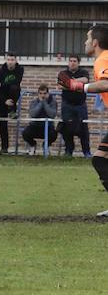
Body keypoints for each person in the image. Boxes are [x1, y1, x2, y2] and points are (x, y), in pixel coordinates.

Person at [58, 24, 108, 216]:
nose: (85, 42)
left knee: (99, 159)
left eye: (87, 39)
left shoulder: (103, 59)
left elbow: (105, 83)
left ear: (95, 43)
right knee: (100, 159)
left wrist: (77, 86)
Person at [58, 56, 90, 157]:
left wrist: (71, 82)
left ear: (78, 63)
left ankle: (86, 152)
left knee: (84, 128)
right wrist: (77, 84)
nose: (72, 63)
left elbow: (85, 80)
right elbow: (60, 85)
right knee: (67, 128)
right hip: (67, 105)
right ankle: (68, 151)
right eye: (71, 61)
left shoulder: (83, 72)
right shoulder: (63, 73)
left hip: (80, 105)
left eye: (74, 61)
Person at [0, 53, 24, 154]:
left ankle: (12, 110)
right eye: (9, 60)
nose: (10, 62)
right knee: (3, 123)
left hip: (13, 96)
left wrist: (2, 84)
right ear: (6, 60)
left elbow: (16, 82)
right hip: (2, 98)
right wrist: (4, 101)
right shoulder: (0, 71)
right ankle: (4, 147)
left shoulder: (20, 69)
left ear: (15, 61)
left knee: (14, 88)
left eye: (12, 60)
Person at [22, 84, 57, 155]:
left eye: (44, 93)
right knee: (25, 133)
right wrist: (41, 103)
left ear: (48, 93)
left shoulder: (53, 102)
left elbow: (52, 114)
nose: (42, 95)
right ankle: (32, 145)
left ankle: (46, 145)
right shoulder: (34, 102)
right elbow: (33, 114)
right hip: (35, 126)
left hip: (48, 127)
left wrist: (45, 103)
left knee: (54, 134)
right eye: (40, 93)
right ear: (38, 94)